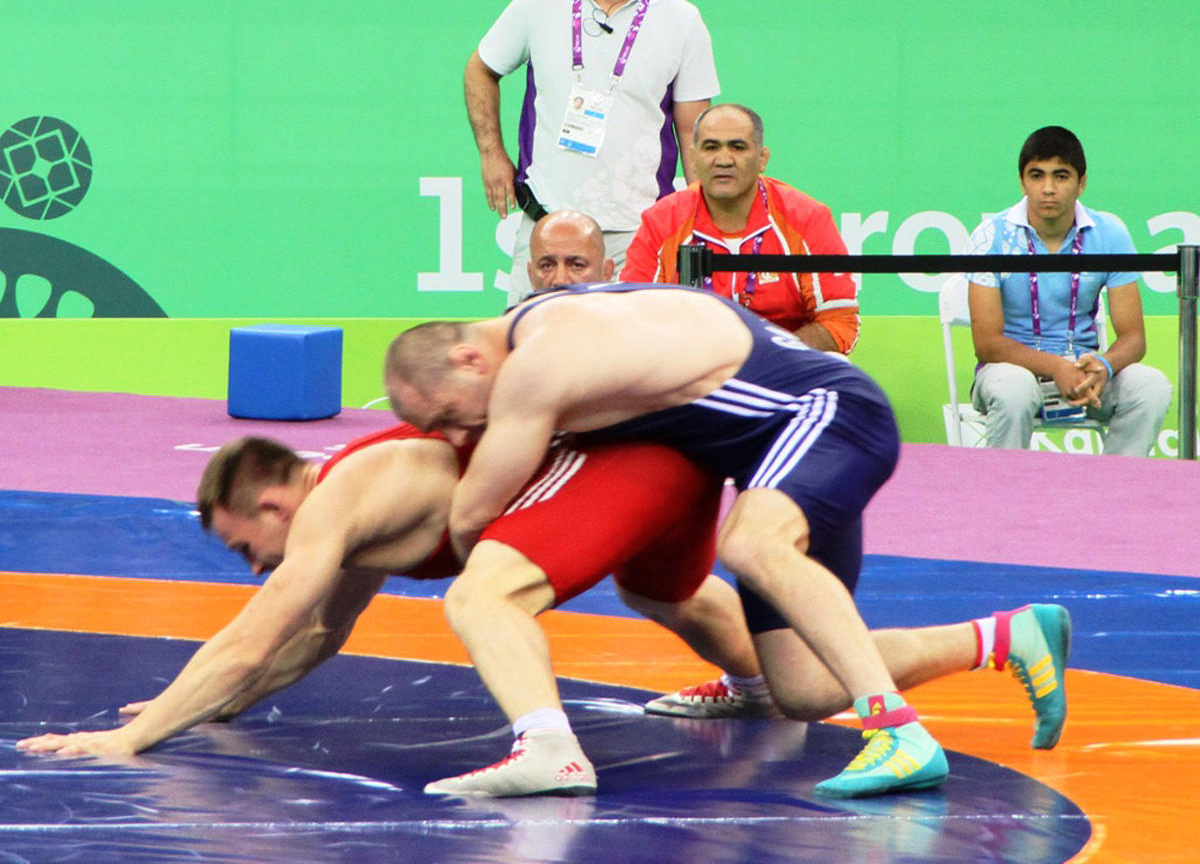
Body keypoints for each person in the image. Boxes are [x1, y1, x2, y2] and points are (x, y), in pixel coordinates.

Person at [384, 284, 1073, 798]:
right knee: (802, 688)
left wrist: (413, 546)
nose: (456, 437)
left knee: (750, 543)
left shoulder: (538, 364)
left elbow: (477, 512)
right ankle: (1006, 636)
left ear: (469, 358)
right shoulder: (553, 317)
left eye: (447, 417)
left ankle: (898, 730)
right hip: (793, 443)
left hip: (829, 413)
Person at [17, 424, 769, 798]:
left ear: (275, 503)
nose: (255, 566)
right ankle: (794, 681)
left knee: (482, 597)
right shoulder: (350, 506)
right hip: (633, 483)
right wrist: (211, 704)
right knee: (788, 672)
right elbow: (315, 633)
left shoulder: (335, 502)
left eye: (249, 546)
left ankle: (552, 748)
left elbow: (254, 635)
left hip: (621, 475)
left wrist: (134, 737)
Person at [465, 0, 719, 304]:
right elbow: (481, 69)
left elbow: (693, 132)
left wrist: (702, 221)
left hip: (638, 236)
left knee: (629, 350)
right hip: (546, 227)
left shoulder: (682, 19)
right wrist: (492, 155)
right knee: (532, 346)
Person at [965, 125, 1172, 454]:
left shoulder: (1110, 233)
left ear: (1081, 183)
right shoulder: (991, 235)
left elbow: (1134, 338)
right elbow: (988, 345)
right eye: (1037, 176)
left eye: (1061, 176)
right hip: (1013, 373)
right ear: (1022, 181)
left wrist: (1102, 366)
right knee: (1013, 390)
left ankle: (1116, 495)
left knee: (1151, 386)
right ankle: (1001, 500)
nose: (1048, 189)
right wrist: (1056, 367)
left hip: (1084, 374)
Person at [620, 103, 860, 355]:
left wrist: (767, 358)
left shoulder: (808, 218)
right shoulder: (661, 221)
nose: (723, 160)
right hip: (692, 371)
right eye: (711, 147)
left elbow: (839, 322)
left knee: (837, 365)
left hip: (786, 368)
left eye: (737, 147)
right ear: (693, 157)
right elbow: (634, 320)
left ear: (762, 158)